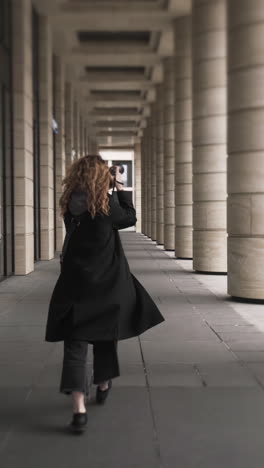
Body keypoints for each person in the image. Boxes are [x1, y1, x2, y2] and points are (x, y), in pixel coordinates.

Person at [45, 154, 165, 433]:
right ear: (103, 178)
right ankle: (103, 383)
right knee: (105, 335)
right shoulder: (107, 205)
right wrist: (120, 189)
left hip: (74, 284)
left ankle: (78, 410)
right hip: (106, 283)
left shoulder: (70, 204)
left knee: (75, 345)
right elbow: (130, 218)